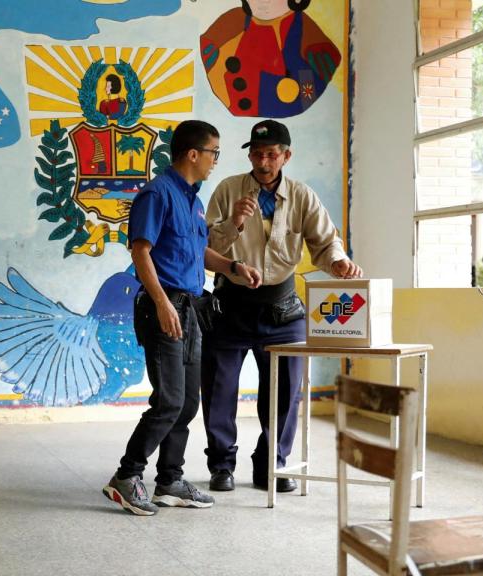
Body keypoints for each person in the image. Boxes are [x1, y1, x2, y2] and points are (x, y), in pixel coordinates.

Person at [103, 120, 262, 516]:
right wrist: (161, 303)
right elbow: (141, 251)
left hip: (191, 309)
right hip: (165, 308)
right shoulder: (157, 195)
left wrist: (232, 266)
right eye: (214, 154)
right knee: (169, 400)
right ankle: (126, 476)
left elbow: (198, 252)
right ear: (194, 154)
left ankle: (170, 480)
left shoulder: (191, 200)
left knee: (188, 401)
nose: (215, 162)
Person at [201, 119, 361, 493]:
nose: (263, 161)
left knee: (287, 391)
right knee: (218, 389)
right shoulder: (227, 191)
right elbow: (205, 247)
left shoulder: (303, 197)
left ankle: (271, 464)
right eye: (257, 154)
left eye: (271, 154)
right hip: (231, 304)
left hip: (283, 308)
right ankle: (221, 465)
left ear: (286, 156)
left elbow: (326, 242)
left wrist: (337, 261)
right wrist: (234, 223)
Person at [199, 0, 340, 118]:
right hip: (237, 106)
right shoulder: (233, 21)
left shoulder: (304, 28)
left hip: (289, 104)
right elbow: (209, 45)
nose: (263, 1)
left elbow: (326, 58)